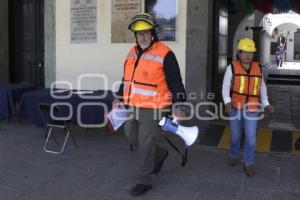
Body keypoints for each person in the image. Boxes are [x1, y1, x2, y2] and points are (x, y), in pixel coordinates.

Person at [112, 13, 186, 196]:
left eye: (145, 33)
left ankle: (143, 180)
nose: (142, 37)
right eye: (139, 34)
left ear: (152, 33)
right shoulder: (132, 52)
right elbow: (127, 78)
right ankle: (160, 153)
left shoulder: (165, 54)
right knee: (131, 135)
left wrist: (178, 104)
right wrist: (119, 97)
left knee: (144, 143)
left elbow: (175, 81)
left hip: (155, 106)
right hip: (133, 104)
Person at [222, 37, 273, 177]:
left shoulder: (258, 68)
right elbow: (226, 86)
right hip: (235, 107)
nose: (248, 55)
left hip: (252, 108)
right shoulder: (231, 67)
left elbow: (262, 87)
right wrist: (227, 101)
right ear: (239, 53)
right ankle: (233, 154)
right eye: (245, 52)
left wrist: (266, 103)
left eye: (250, 52)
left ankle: (248, 162)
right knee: (235, 136)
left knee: (251, 136)